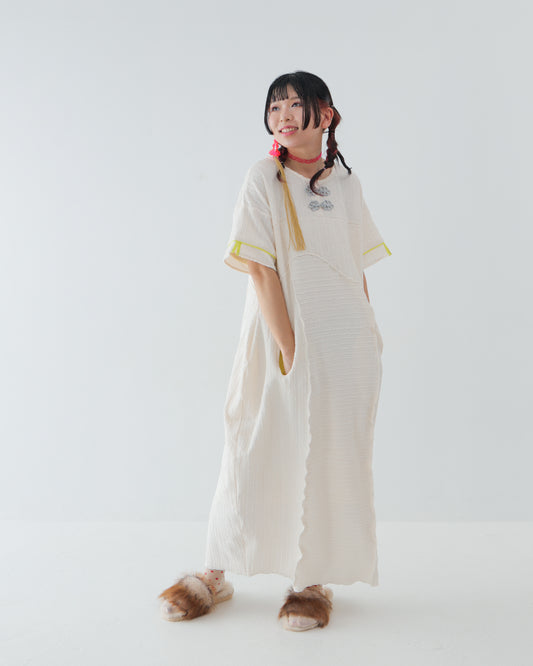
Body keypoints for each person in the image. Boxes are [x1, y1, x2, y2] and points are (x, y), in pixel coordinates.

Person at [158, 70, 392, 632]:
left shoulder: (347, 184)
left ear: (325, 115)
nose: (283, 115)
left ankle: (311, 582)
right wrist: (289, 346)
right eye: (274, 106)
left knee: (331, 454)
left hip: (344, 343)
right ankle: (214, 573)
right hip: (280, 339)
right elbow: (260, 269)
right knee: (251, 445)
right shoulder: (262, 177)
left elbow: (355, 266)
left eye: (294, 104)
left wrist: (369, 333)